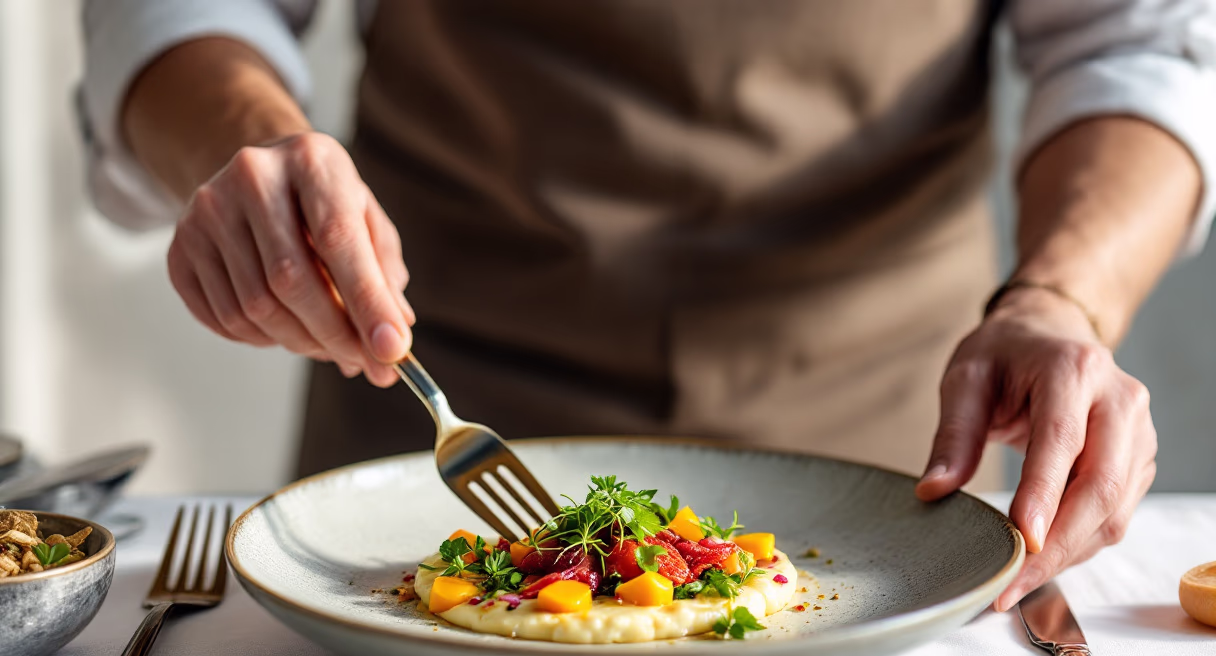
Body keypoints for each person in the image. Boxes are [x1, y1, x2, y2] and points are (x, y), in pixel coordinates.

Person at [80, 1, 1215, 611]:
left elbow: (1138, 41)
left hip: (893, 445)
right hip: (429, 407)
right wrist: (253, 151)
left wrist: (1063, 297)